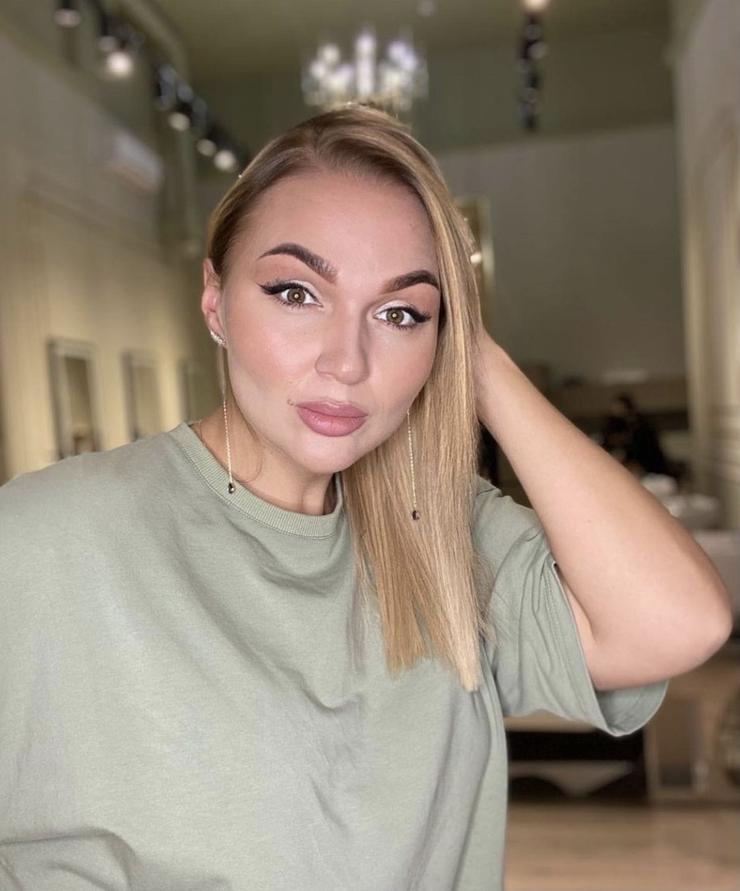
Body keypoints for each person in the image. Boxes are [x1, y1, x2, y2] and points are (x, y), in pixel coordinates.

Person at [0, 105, 731, 891]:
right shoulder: (44, 538)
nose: (347, 361)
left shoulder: (445, 535)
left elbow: (681, 621)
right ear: (214, 300)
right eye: (296, 293)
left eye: (399, 312)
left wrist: (475, 355)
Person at [600, 392, 672, 477]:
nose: (615, 410)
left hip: (647, 467)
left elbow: (644, 448)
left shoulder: (641, 426)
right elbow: (607, 444)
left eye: (618, 407)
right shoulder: (613, 426)